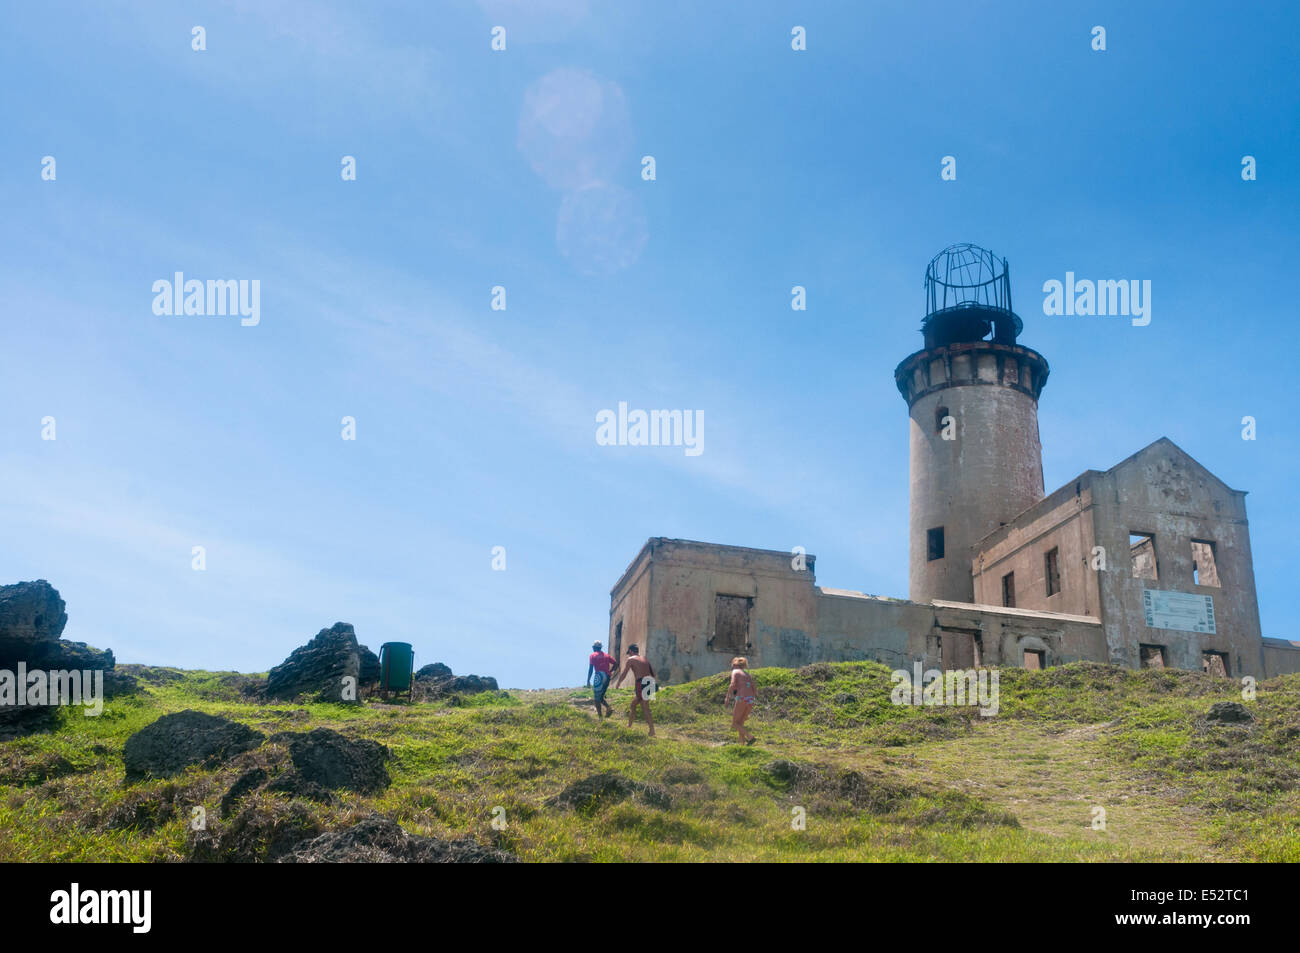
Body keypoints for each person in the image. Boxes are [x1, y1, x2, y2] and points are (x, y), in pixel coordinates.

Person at [614, 644, 656, 737]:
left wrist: (618, 683)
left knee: (644, 706)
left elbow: (624, 673)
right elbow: (654, 673)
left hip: (641, 682)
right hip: (650, 681)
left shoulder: (631, 659)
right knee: (634, 704)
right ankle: (629, 725)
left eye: (629, 653)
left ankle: (652, 731)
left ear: (631, 651)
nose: (629, 655)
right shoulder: (645, 658)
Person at [724, 656, 758, 745]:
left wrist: (727, 697)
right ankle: (742, 745)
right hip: (750, 700)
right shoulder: (747, 675)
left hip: (741, 698)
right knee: (740, 723)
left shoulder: (735, 672)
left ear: (734, 664)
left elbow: (732, 684)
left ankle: (750, 737)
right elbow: (755, 689)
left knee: (735, 724)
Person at [585, 640, 617, 719]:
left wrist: (588, 680)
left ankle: (600, 717)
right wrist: (610, 671)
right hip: (607, 676)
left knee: (596, 697)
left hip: (599, 675)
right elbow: (616, 663)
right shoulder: (606, 655)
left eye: (593, 647)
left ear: (594, 648)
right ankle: (608, 708)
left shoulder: (592, 655)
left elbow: (591, 669)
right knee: (601, 696)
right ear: (600, 648)